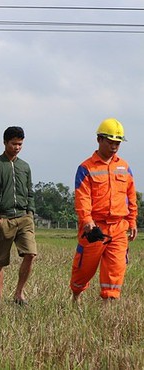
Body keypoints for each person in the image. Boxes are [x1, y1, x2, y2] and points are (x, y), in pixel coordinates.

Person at [71, 118, 138, 303]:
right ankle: (75, 297)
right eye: (110, 142)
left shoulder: (124, 167)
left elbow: (131, 196)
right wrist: (87, 221)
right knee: (84, 269)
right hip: (94, 228)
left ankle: (108, 306)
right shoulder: (86, 168)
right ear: (99, 139)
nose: (114, 146)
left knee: (115, 269)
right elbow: (82, 197)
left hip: (118, 227)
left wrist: (132, 221)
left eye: (117, 143)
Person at [0, 126, 36, 305]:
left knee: (30, 254)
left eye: (20, 144)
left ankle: (19, 294)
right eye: (13, 144)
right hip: (3, 219)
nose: (17, 147)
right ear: (4, 142)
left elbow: (30, 192)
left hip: (24, 218)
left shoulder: (25, 167)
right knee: (0, 261)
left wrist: (31, 212)